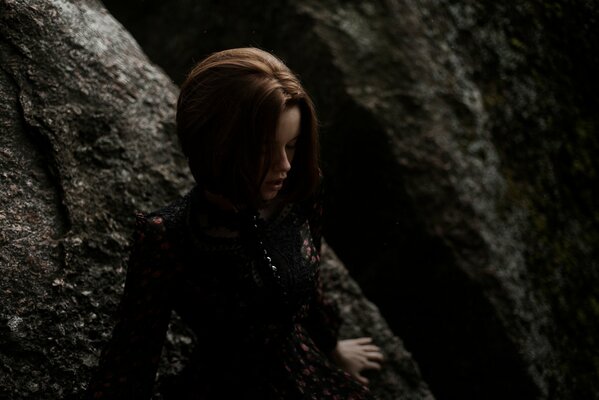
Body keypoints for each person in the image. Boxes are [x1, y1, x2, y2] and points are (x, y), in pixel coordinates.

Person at [86, 47, 383, 399]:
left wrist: (330, 344)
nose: (284, 166)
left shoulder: (300, 193)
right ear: (218, 146)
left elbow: (311, 277)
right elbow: (132, 359)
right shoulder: (169, 237)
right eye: (263, 151)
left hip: (305, 372)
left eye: (292, 146)